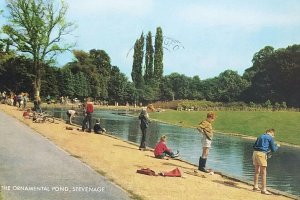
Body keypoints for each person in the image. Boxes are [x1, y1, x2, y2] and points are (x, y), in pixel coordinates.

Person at [252, 129, 280, 195]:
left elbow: (254, 146)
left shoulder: (260, 136)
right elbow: (273, 149)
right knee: (263, 172)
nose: (273, 136)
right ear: (271, 133)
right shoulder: (270, 137)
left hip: (255, 153)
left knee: (257, 170)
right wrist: (277, 146)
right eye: (273, 135)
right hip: (261, 154)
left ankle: (255, 186)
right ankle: (264, 189)